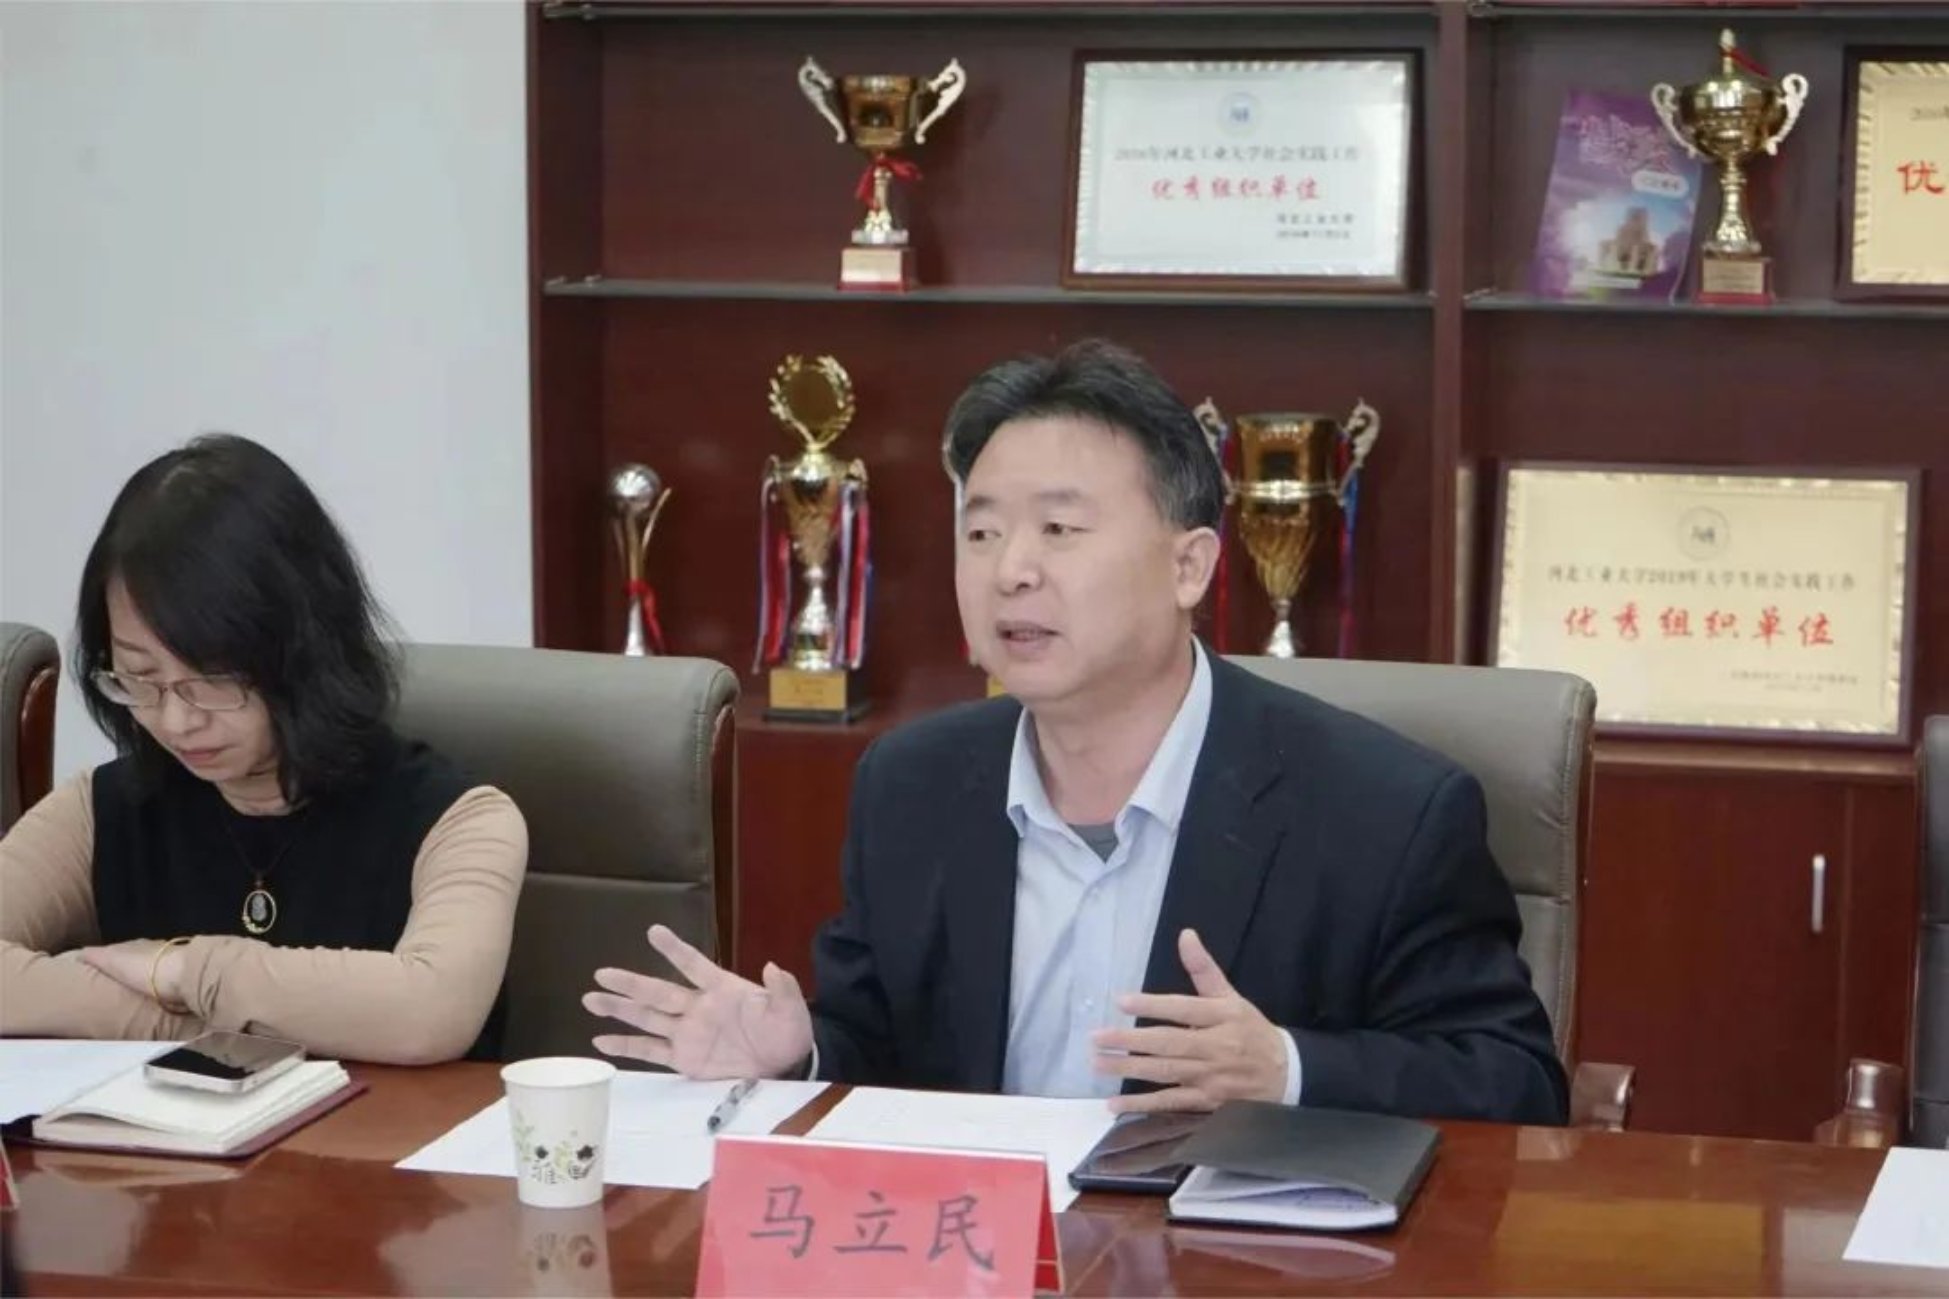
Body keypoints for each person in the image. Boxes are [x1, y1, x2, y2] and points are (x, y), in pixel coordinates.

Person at [585, 340, 1567, 1123]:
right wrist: (799, 1053)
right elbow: (882, 1051)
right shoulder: (912, 784)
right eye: (981, 531)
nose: (1010, 569)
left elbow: (1516, 1082)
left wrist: (1285, 1068)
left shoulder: (1380, 809)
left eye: (1059, 529)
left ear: (1188, 567)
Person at [0, 434, 526, 1064]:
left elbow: (428, 1013)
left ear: (307, 650)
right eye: (139, 677)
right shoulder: (99, 811)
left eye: (213, 679)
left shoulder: (460, 820)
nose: (177, 720)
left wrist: (184, 972)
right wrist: (177, 1022)